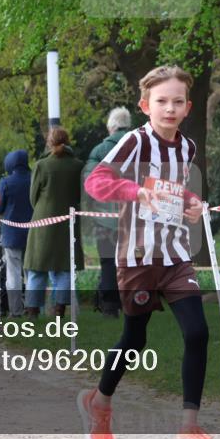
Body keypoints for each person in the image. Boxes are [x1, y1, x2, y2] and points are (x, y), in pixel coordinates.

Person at [78, 65, 216, 439]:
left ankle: (189, 428)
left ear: (188, 107)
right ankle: (101, 401)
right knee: (134, 339)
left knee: (197, 332)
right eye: (161, 102)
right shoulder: (135, 142)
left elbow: (177, 192)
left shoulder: (187, 148)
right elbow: (95, 181)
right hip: (137, 257)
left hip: (175, 256)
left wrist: (192, 204)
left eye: (176, 102)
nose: (169, 109)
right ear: (145, 105)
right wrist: (136, 192)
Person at [23, 128, 83, 319]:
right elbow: (80, 195)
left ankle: (32, 311)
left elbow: (33, 197)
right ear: (68, 141)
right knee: (64, 267)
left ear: (49, 143)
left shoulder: (42, 165)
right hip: (68, 222)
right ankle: (60, 310)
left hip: (43, 221)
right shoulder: (78, 165)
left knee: (36, 268)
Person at [85, 107, 131, 318]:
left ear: (110, 127)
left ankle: (110, 308)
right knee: (135, 262)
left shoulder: (99, 151)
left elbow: (90, 183)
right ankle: (136, 304)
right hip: (134, 216)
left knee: (108, 262)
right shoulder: (140, 146)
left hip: (105, 220)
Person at [0, 150, 32, 318]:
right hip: (33, 232)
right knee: (32, 272)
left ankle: (16, 311)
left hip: (11, 234)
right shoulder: (34, 178)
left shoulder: (6, 182)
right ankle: (33, 309)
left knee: (13, 273)